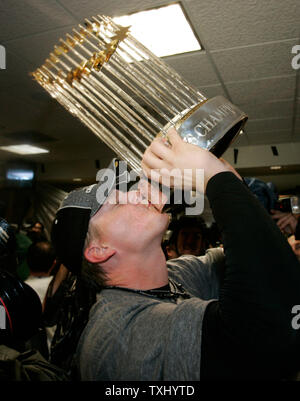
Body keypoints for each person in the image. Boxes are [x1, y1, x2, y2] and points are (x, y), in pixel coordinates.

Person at [51, 129, 300, 381]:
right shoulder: (123, 335)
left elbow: (261, 264)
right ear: (99, 250)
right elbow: (270, 326)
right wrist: (212, 175)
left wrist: (211, 165)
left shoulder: (178, 276)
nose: (136, 192)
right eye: (117, 202)